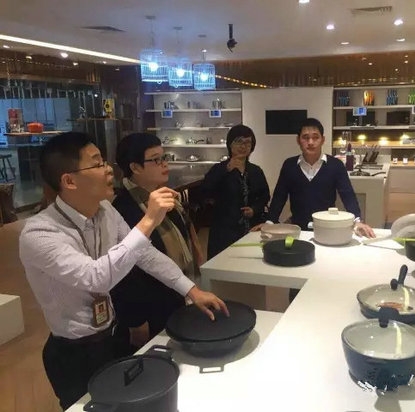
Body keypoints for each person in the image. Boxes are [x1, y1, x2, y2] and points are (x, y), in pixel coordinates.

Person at [19, 132, 228, 410]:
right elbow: (96, 278)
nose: (108, 169)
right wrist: (149, 221)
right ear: (69, 181)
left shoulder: (105, 211)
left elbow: (145, 254)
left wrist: (192, 290)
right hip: (73, 352)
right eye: (97, 163)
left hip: (113, 337)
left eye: (105, 161)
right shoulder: (39, 233)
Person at [111, 132, 205, 354]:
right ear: (135, 167)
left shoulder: (164, 196)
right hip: (150, 307)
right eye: (156, 160)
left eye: (165, 157)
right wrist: (136, 320)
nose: (164, 164)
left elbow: (184, 238)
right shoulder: (123, 208)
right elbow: (125, 270)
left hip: (174, 295)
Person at [266, 117, 376, 238]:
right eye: (305, 137)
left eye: (315, 137)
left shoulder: (336, 165)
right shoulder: (289, 165)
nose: (310, 142)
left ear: (323, 140)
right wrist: (270, 222)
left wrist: (357, 221)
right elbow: (279, 196)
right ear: (298, 140)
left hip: (328, 229)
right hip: (298, 229)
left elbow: (348, 195)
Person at [202, 124, 270, 258]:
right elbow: (205, 191)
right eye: (239, 142)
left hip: (251, 227)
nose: (243, 146)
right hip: (224, 230)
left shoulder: (256, 171)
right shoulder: (219, 169)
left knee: (249, 261)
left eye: (248, 142)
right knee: (224, 262)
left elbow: (265, 196)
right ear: (230, 144)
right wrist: (226, 170)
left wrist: (254, 209)